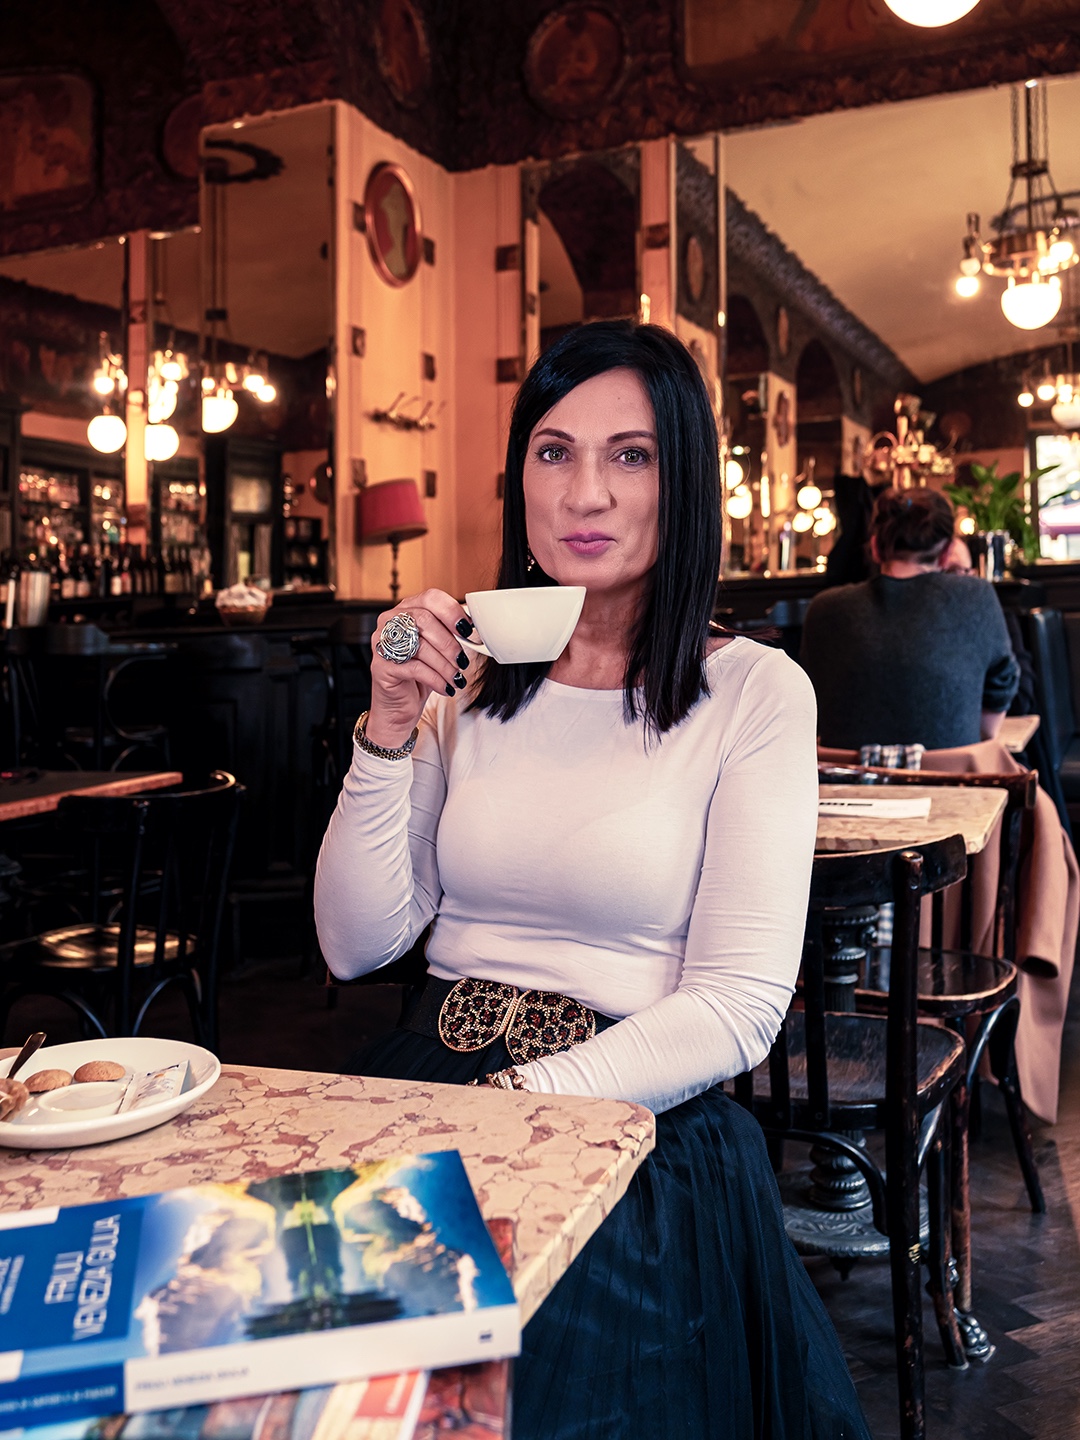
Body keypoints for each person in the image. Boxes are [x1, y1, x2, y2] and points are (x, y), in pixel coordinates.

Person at [315, 321, 871, 1439]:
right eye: (553, 451)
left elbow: (739, 1004)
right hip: (428, 1078)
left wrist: (514, 1114)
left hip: (628, 1114)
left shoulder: (756, 692)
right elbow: (355, 943)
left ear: (685, 481)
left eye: (631, 456)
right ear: (518, 475)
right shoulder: (463, 682)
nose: (586, 494)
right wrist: (386, 727)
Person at [800, 486, 1019, 751]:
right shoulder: (976, 597)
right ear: (946, 553)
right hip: (951, 783)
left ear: (876, 548)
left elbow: (809, 705)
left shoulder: (824, 609)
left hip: (844, 785)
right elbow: (990, 723)